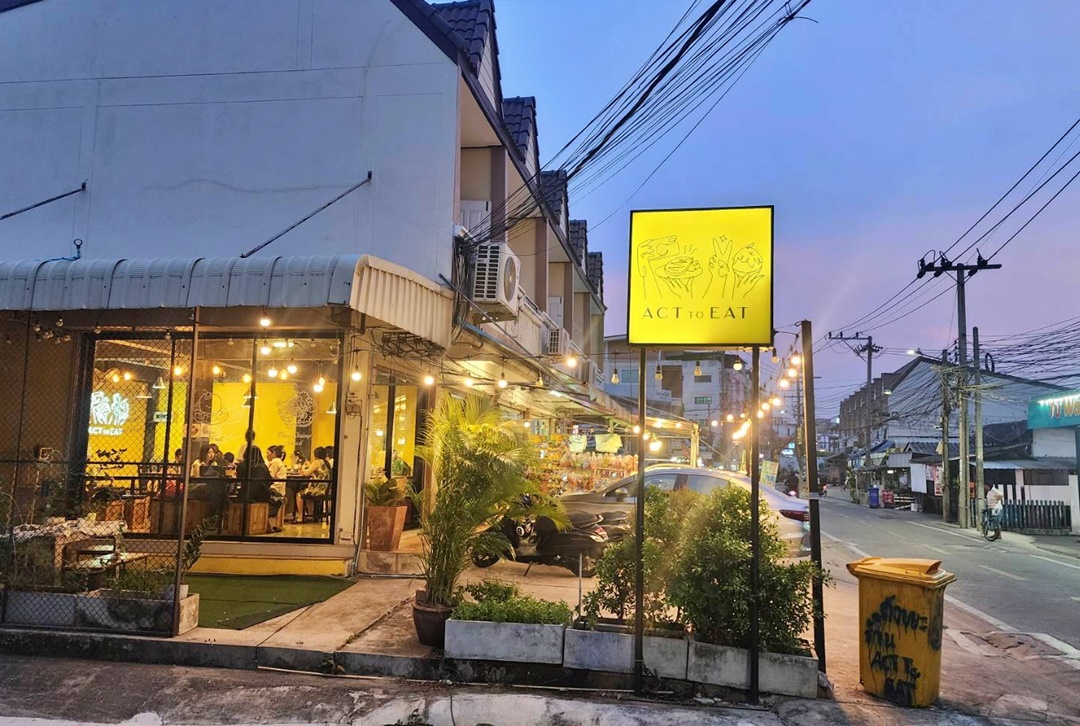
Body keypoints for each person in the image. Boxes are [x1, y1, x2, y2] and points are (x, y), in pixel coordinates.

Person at [294, 447, 331, 523]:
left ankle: (301, 516)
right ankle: (311, 516)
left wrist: (303, 467)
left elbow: (306, 473)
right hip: (323, 489)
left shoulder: (317, 461)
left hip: (317, 490)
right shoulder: (326, 463)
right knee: (308, 497)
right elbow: (317, 472)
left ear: (315, 455)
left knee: (299, 495)